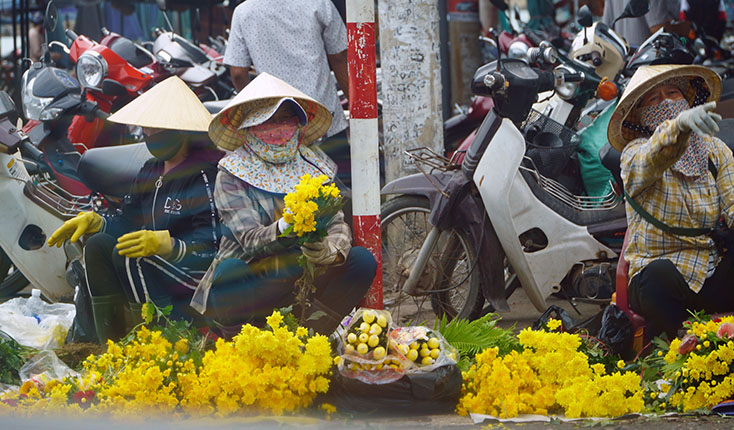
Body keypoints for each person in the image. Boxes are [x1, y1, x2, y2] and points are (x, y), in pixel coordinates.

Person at [190, 72, 376, 337]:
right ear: (248, 128)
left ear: (298, 125)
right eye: (267, 121)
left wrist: (329, 250)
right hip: (256, 283)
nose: (278, 129)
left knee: (361, 261)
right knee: (229, 272)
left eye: (285, 120)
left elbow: (336, 223)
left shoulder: (312, 165)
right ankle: (244, 344)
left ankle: (310, 337)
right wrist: (288, 225)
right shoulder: (232, 173)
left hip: (303, 282)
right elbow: (250, 239)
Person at [48, 77, 222, 343]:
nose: (149, 134)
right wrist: (98, 222)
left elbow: (210, 248)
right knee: (99, 245)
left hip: (191, 282)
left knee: (131, 257)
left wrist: (170, 246)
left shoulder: (202, 175)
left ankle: (160, 341)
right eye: (147, 128)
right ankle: (112, 343)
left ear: (182, 130)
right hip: (149, 274)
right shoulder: (150, 169)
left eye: (158, 128)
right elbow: (128, 222)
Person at [608, 64, 733, 340]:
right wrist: (678, 127)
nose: (665, 101)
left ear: (688, 101)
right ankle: (676, 345)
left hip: (710, 270)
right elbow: (655, 157)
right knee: (656, 277)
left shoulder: (716, 151)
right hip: (662, 277)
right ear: (641, 114)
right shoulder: (634, 153)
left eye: (673, 93)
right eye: (653, 99)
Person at [223, 0, 352, 187]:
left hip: (277, 127)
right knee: (339, 191)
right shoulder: (318, 3)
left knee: (288, 197)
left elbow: (238, 73)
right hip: (323, 119)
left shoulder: (244, 12)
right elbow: (339, 57)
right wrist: (356, 108)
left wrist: (258, 115)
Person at [602, 0, 680, 46]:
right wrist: (683, 29)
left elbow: (606, 29)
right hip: (647, 65)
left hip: (624, 64)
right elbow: (660, 30)